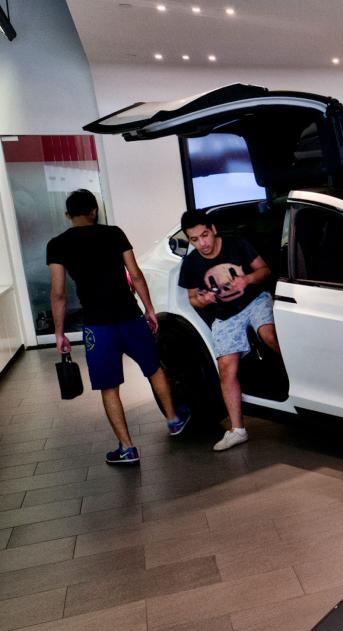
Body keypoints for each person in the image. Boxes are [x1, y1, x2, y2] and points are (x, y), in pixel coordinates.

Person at [47, 189, 190, 465]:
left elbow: (58, 293)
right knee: (154, 369)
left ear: (68, 215)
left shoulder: (57, 244)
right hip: (130, 316)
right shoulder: (114, 233)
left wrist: (59, 332)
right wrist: (149, 309)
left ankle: (127, 448)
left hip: (97, 327)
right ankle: (173, 420)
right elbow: (135, 274)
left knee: (109, 387)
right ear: (93, 211)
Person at [177, 209, 280, 451]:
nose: (202, 243)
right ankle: (238, 430)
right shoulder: (190, 263)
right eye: (194, 239)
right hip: (225, 314)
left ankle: (304, 388)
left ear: (212, 229)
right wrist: (201, 300)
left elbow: (264, 270)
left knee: (269, 335)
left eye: (204, 235)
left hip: (255, 300)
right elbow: (192, 297)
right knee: (225, 367)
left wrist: (247, 280)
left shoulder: (236, 244)